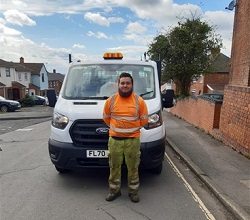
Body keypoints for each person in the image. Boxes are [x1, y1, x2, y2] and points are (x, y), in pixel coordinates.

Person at [102, 72, 148, 203]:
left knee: (133, 168)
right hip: (115, 140)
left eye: (128, 83)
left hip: (132, 140)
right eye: (122, 83)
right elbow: (106, 118)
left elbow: (144, 120)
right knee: (114, 167)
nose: (125, 85)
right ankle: (114, 191)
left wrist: (130, 129)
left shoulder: (139, 101)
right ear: (118, 84)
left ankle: (133, 192)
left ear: (132, 85)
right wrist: (118, 129)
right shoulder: (110, 101)